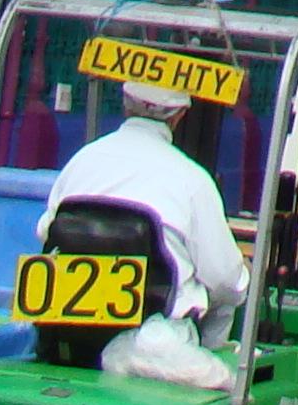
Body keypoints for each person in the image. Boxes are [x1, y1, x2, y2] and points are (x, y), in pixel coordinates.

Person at [38, 78, 249, 332]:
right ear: (179, 115)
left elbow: (45, 233)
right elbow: (226, 280)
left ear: (125, 106)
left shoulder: (79, 162)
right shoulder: (193, 180)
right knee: (231, 292)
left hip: (69, 328)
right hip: (158, 341)